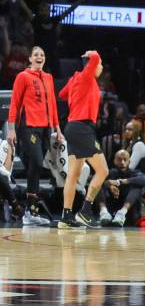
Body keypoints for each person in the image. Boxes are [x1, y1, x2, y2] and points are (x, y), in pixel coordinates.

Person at [7, 46, 62, 226]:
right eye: (36, 55)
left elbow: (53, 104)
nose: (40, 57)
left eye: (42, 55)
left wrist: (57, 129)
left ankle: (30, 211)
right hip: (28, 126)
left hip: (45, 128)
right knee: (37, 162)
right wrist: (11, 129)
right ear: (30, 59)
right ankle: (28, 210)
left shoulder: (48, 78)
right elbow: (14, 103)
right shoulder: (23, 76)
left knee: (35, 166)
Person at [57, 50, 109, 228]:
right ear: (91, 65)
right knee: (103, 171)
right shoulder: (87, 76)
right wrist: (93, 54)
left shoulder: (76, 79)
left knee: (73, 175)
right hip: (82, 128)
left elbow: (62, 95)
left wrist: (75, 89)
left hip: (72, 127)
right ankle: (85, 211)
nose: (100, 67)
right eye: (100, 64)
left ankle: (66, 216)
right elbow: (94, 58)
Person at [98, 150, 145, 227]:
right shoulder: (110, 172)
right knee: (97, 184)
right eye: (119, 159)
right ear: (114, 161)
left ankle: (122, 213)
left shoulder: (134, 173)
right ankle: (103, 212)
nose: (122, 162)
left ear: (129, 161)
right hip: (110, 208)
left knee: (137, 186)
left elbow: (144, 180)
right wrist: (109, 185)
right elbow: (92, 180)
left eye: (125, 160)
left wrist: (120, 182)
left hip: (128, 212)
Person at [0, 138, 23, 222]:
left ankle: (14, 206)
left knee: (1, 176)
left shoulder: (4, 143)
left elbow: (6, 171)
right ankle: (16, 206)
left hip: (3, 176)